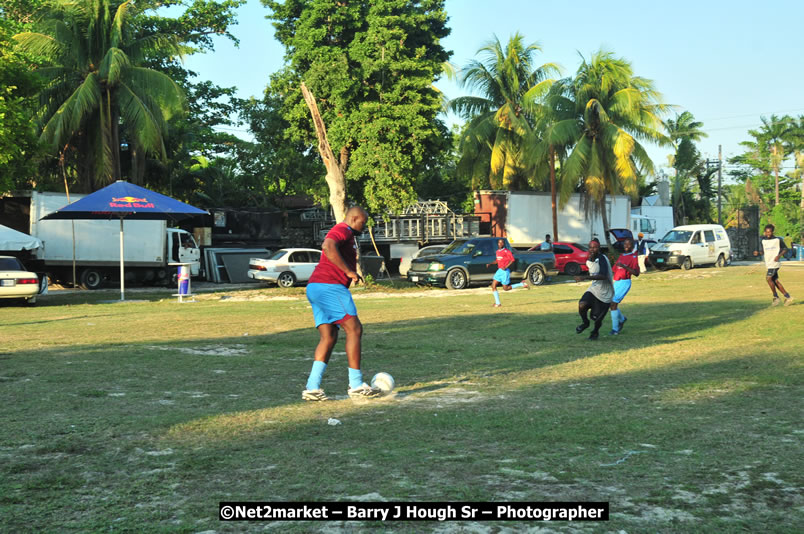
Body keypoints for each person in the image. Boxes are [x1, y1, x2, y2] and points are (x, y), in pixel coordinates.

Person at [302, 206, 382, 401]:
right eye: (363, 222)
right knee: (354, 329)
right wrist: (348, 271)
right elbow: (328, 246)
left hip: (315, 287)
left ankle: (312, 387)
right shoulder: (343, 229)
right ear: (354, 219)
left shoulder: (349, 235)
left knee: (328, 337)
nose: (364, 226)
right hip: (330, 286)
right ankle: (355, 384)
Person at [574, 238, 614, 340]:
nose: (592, 249)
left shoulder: (602, 258)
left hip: (606, 292)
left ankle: (595, 333)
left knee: (596, 318)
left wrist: (584, 278)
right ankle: (585, 323)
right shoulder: (589, 260)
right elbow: (593, 270)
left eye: (595, 247)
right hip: (594, 289)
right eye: (590, 247)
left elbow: (603, 276)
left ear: (599, 247)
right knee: (582, 304)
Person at [753, 224, 793, 307]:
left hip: (775, 263)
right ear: (765, 232)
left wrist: (778, 256)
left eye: (770, 232)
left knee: (768, 278)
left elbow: (785, 249)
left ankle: (776, 297)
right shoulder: (763, 241)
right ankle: (788, 297)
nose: (768, 234)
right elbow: (763, 252)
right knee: (775, 281)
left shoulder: (778, 240)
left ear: (772, 232)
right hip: (768, 263)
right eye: (767, 232)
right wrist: (758, 253)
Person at [609, 238, 640, 335]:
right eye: (625, 244)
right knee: (611, 304)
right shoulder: (621, 256)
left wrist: (624, 266)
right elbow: (615, 269)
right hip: (617, 282)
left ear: (633, 246)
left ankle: (615, 329)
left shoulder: (633, 257)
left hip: (624, 283)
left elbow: (636, 273)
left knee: (613, 304)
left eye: (629, 244)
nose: (626, 246)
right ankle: (622, 319)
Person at [486, 238, 529, 308]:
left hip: (505, 272)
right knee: (493, 285)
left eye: (501, 243)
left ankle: (521, 284)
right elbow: (497, 260)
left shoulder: (507, 251)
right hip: (499, 271)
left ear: (503, 244)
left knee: (505, 288)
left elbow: (512, 260)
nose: (500, 244)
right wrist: (490, 263)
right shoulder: (497, 252)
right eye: (499, 243)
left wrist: (506, 267)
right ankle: (498, 303)